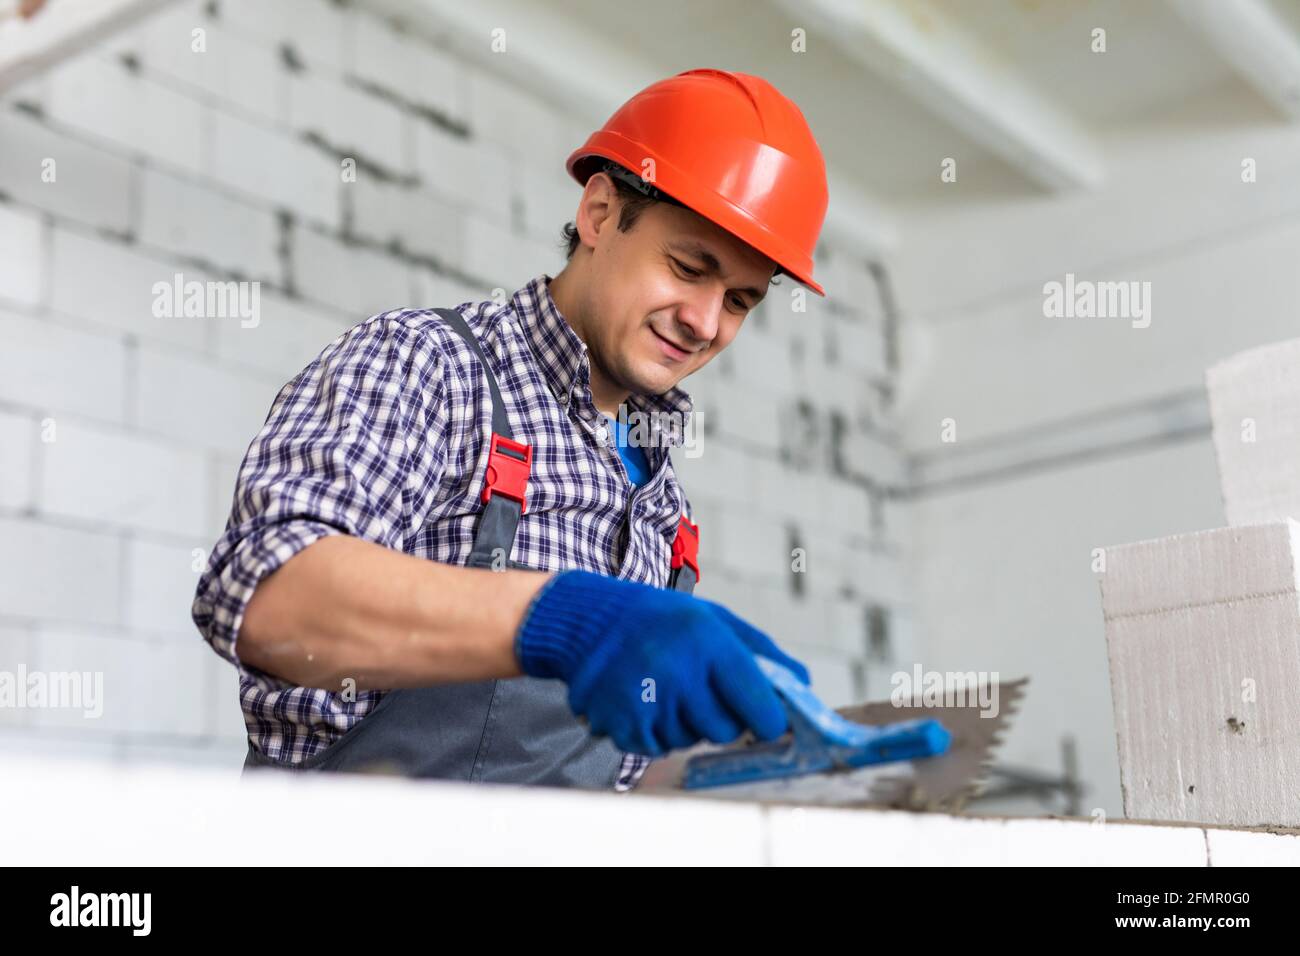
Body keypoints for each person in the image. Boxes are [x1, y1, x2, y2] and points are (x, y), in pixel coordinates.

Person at [192, 68, 830, 791]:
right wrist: (564, 618)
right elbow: (265, 597)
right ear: (598, 214)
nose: (705, 322)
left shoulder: (662, 505)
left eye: (740, 301)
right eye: (688, 267)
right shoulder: (428, 367)